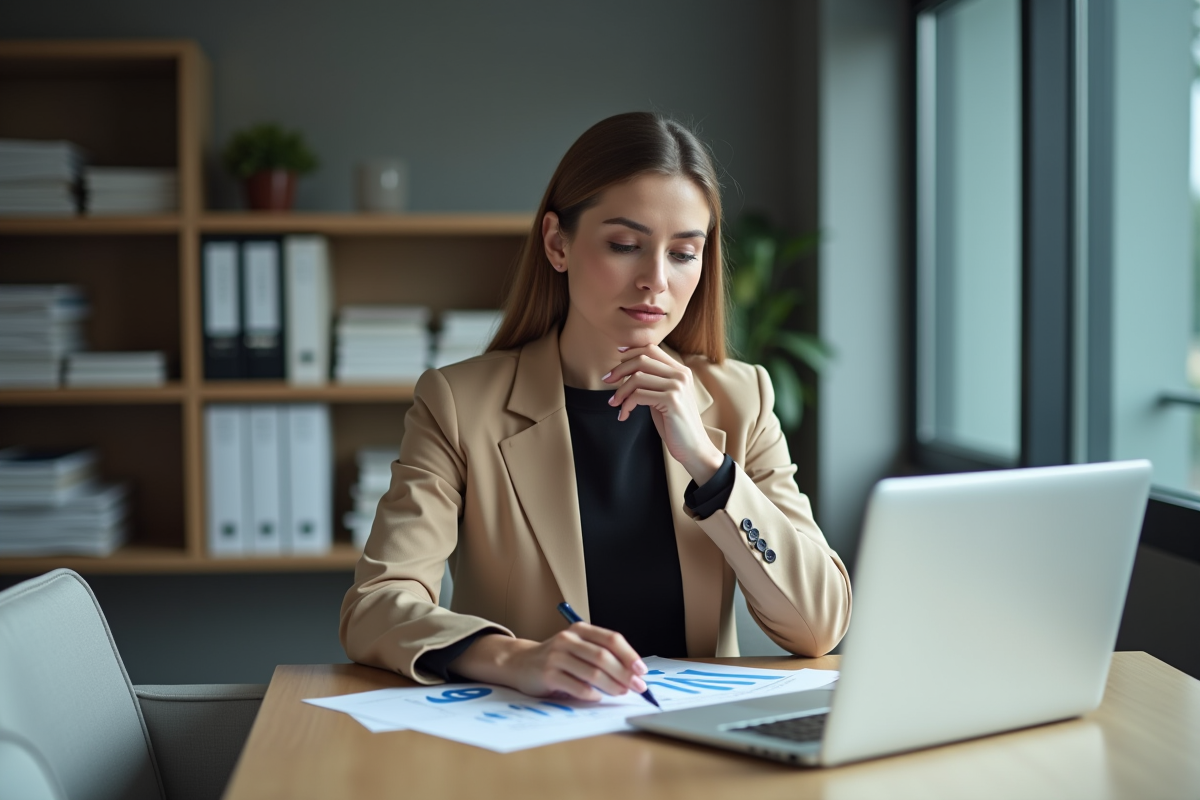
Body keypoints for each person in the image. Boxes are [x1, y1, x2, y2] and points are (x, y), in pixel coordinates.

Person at [340, 112, 852, 703]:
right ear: (558, 243)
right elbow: (376, 606)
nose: (654, 281)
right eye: (625, 245)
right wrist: (516, 658)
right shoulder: (459, 403)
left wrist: (709, 467)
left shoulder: (742, 399)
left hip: (696, 748)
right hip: (529, 742)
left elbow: (819, 627)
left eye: (684, 253)